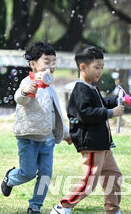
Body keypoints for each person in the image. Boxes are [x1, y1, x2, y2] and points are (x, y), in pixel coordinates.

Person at [50, 45, 127, 214]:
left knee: (113, 176)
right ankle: (63, 207)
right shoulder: (80, 89)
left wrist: (118, 101)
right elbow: (86, 113)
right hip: (91, 144)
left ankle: (113, 210)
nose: (100, 71)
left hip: (103, 145)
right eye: (96, 67)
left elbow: (102, 103)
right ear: (82, 67)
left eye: (102, 67)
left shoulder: (92, 87)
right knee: (89, 182)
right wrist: (110, 113)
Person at [0, 41, 71, 214]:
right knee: (28, 172)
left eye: (54, 62)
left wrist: (66, 134)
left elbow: (56, 116)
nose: (51, 66)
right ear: (33, 64)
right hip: (28, 137)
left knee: (45, 176)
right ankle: (10, 178)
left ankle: (35, 206)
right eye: (47, 62)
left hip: (47, 140)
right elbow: (20, 98)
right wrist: (26, 90)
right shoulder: (28, 82)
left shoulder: (51, 89)